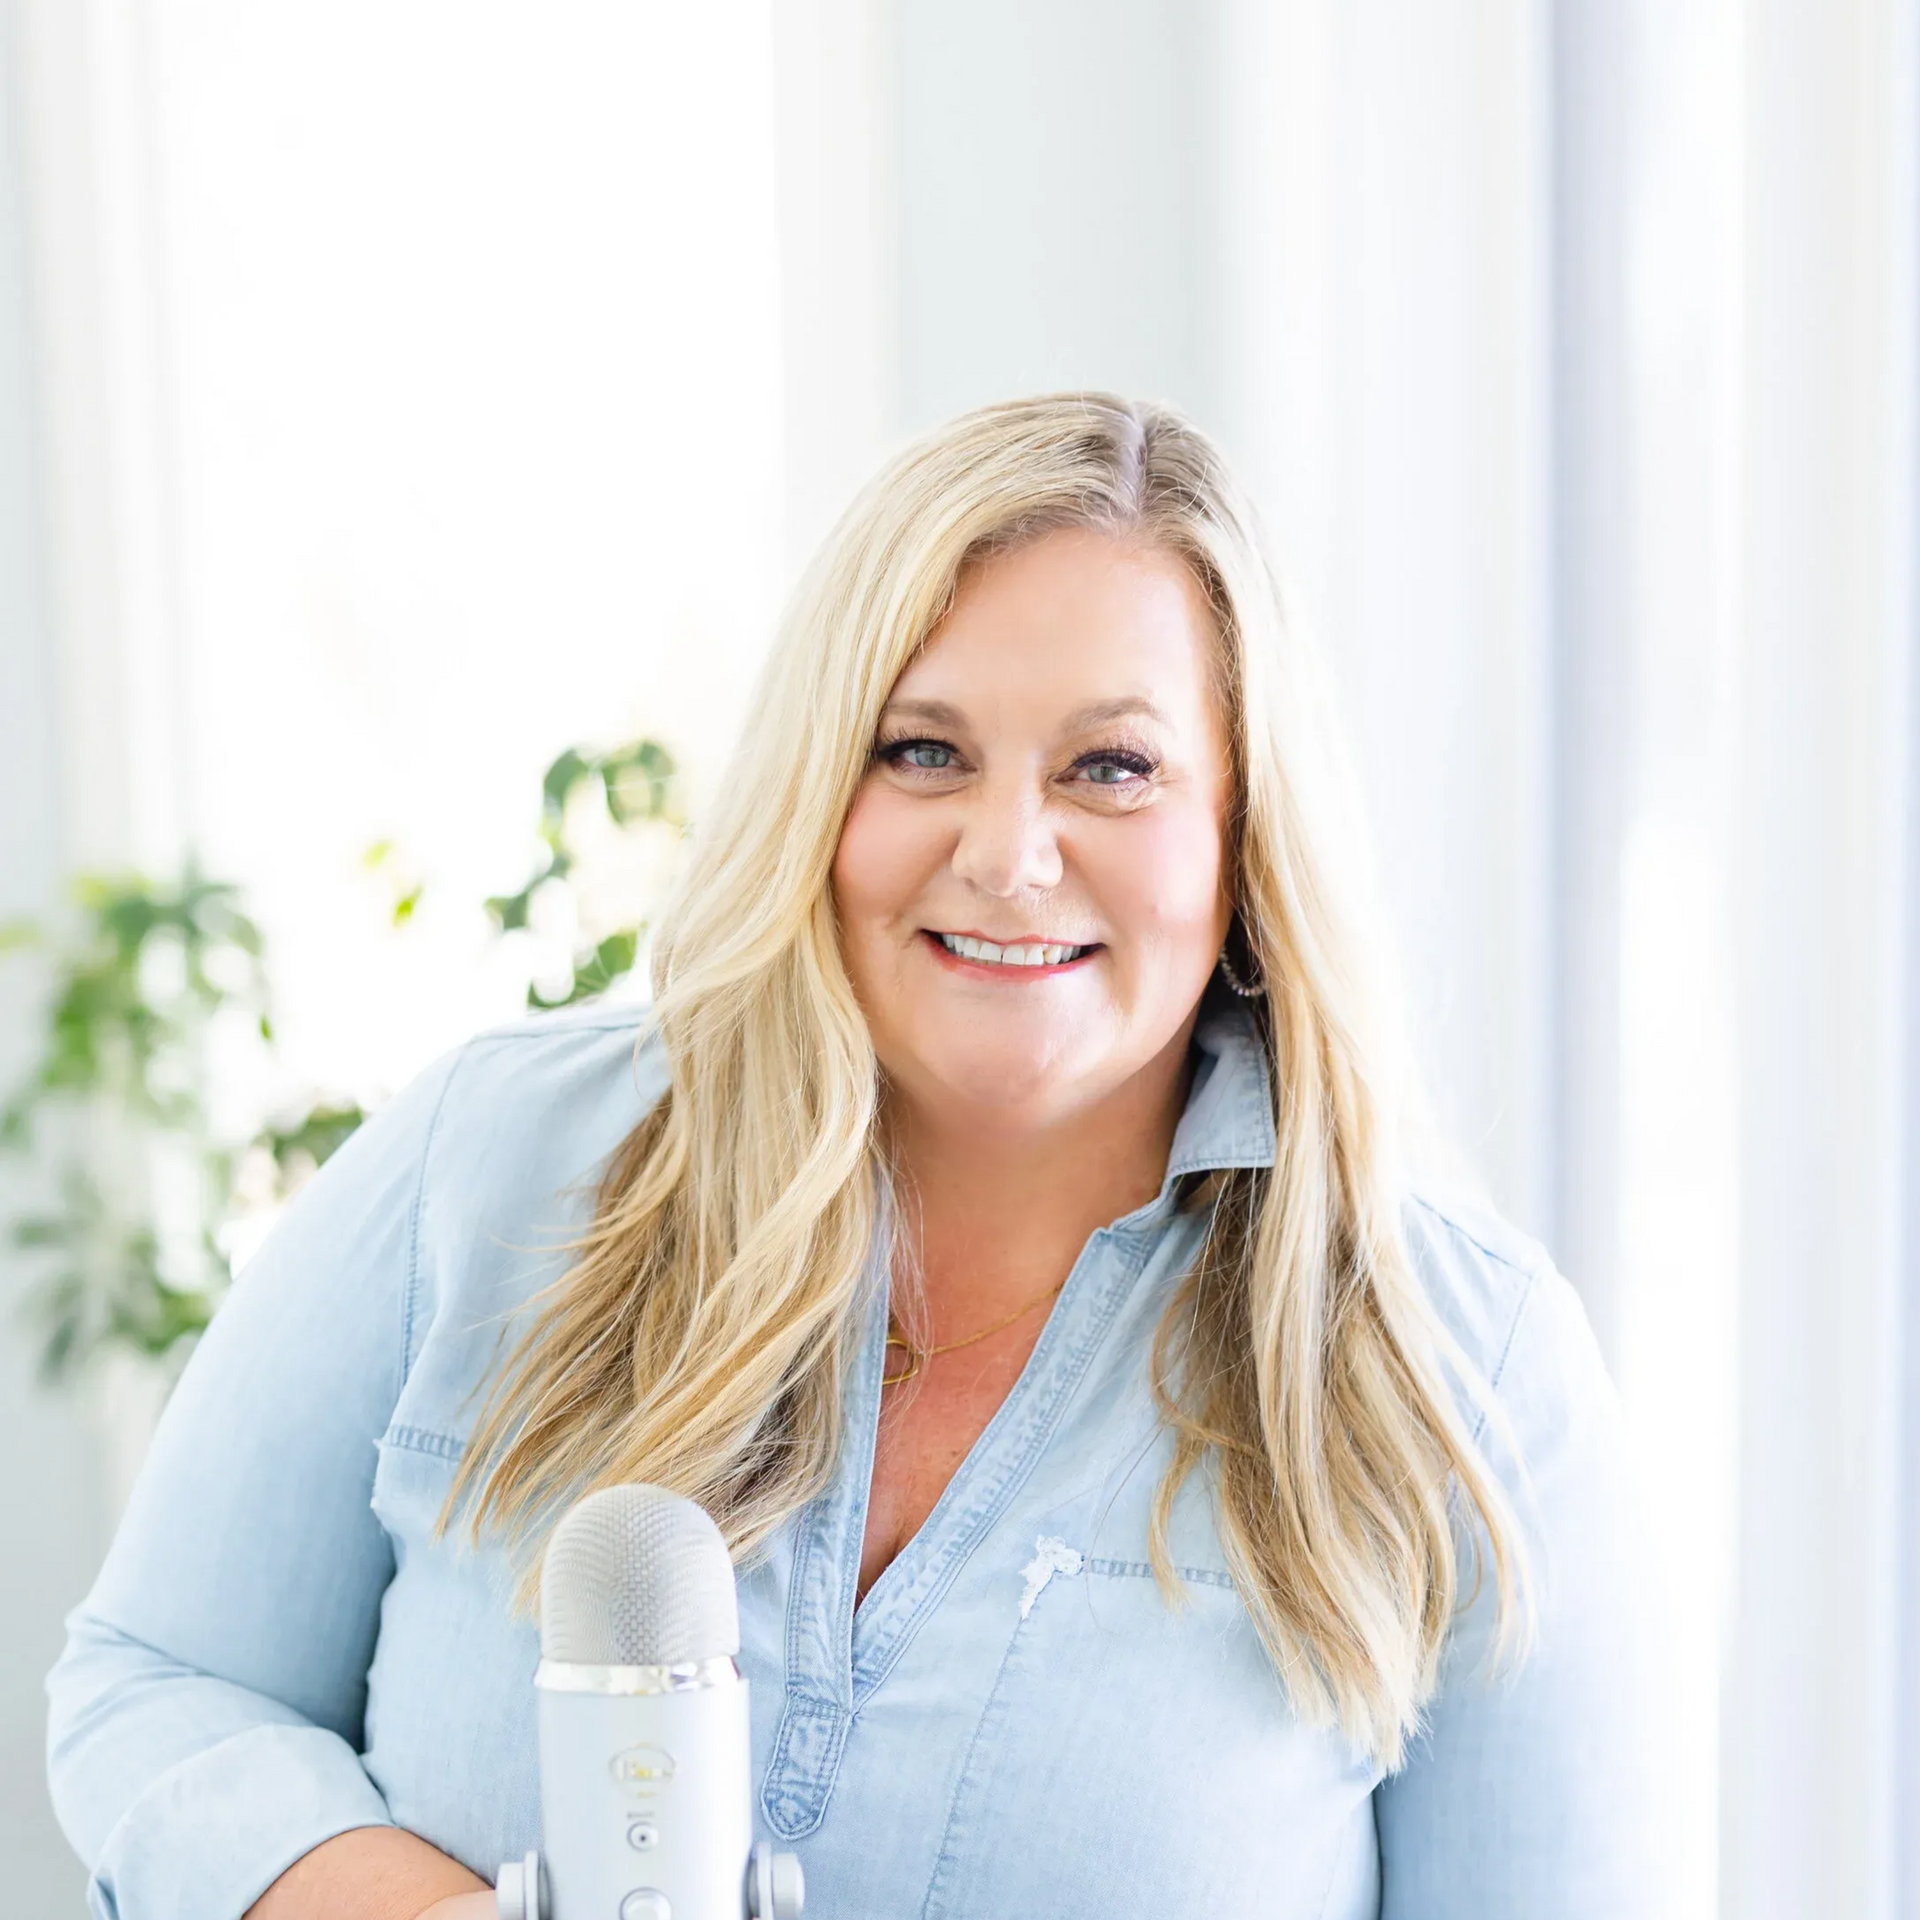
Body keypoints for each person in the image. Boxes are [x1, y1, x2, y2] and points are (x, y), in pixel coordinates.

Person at [46, 394, 1674, 1919]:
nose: (1011, 855)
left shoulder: (1466, 1376)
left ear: (1243, 832)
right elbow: (162, 1683)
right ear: (823, 786)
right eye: (923, 751)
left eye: (1112, 768)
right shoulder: (491, 1167)